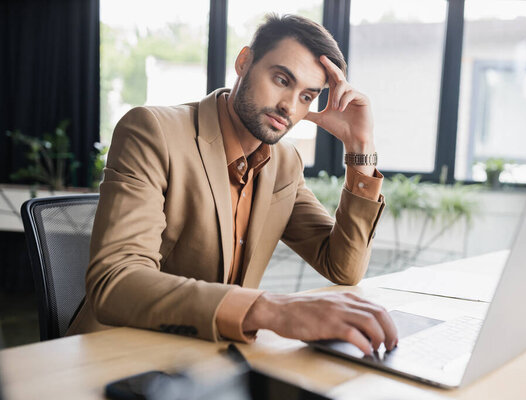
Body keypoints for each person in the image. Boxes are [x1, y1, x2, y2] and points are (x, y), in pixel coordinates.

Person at [67, 14, 398, 355]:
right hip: (121, 352)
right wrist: (273, 310)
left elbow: (343, 267)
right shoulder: (152, 131)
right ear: (244, 62)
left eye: (307, 97)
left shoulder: (285, 163)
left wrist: (360, 147)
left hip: (214, 357)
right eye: (282, 79)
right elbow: (116, 282)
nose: (289, 106)